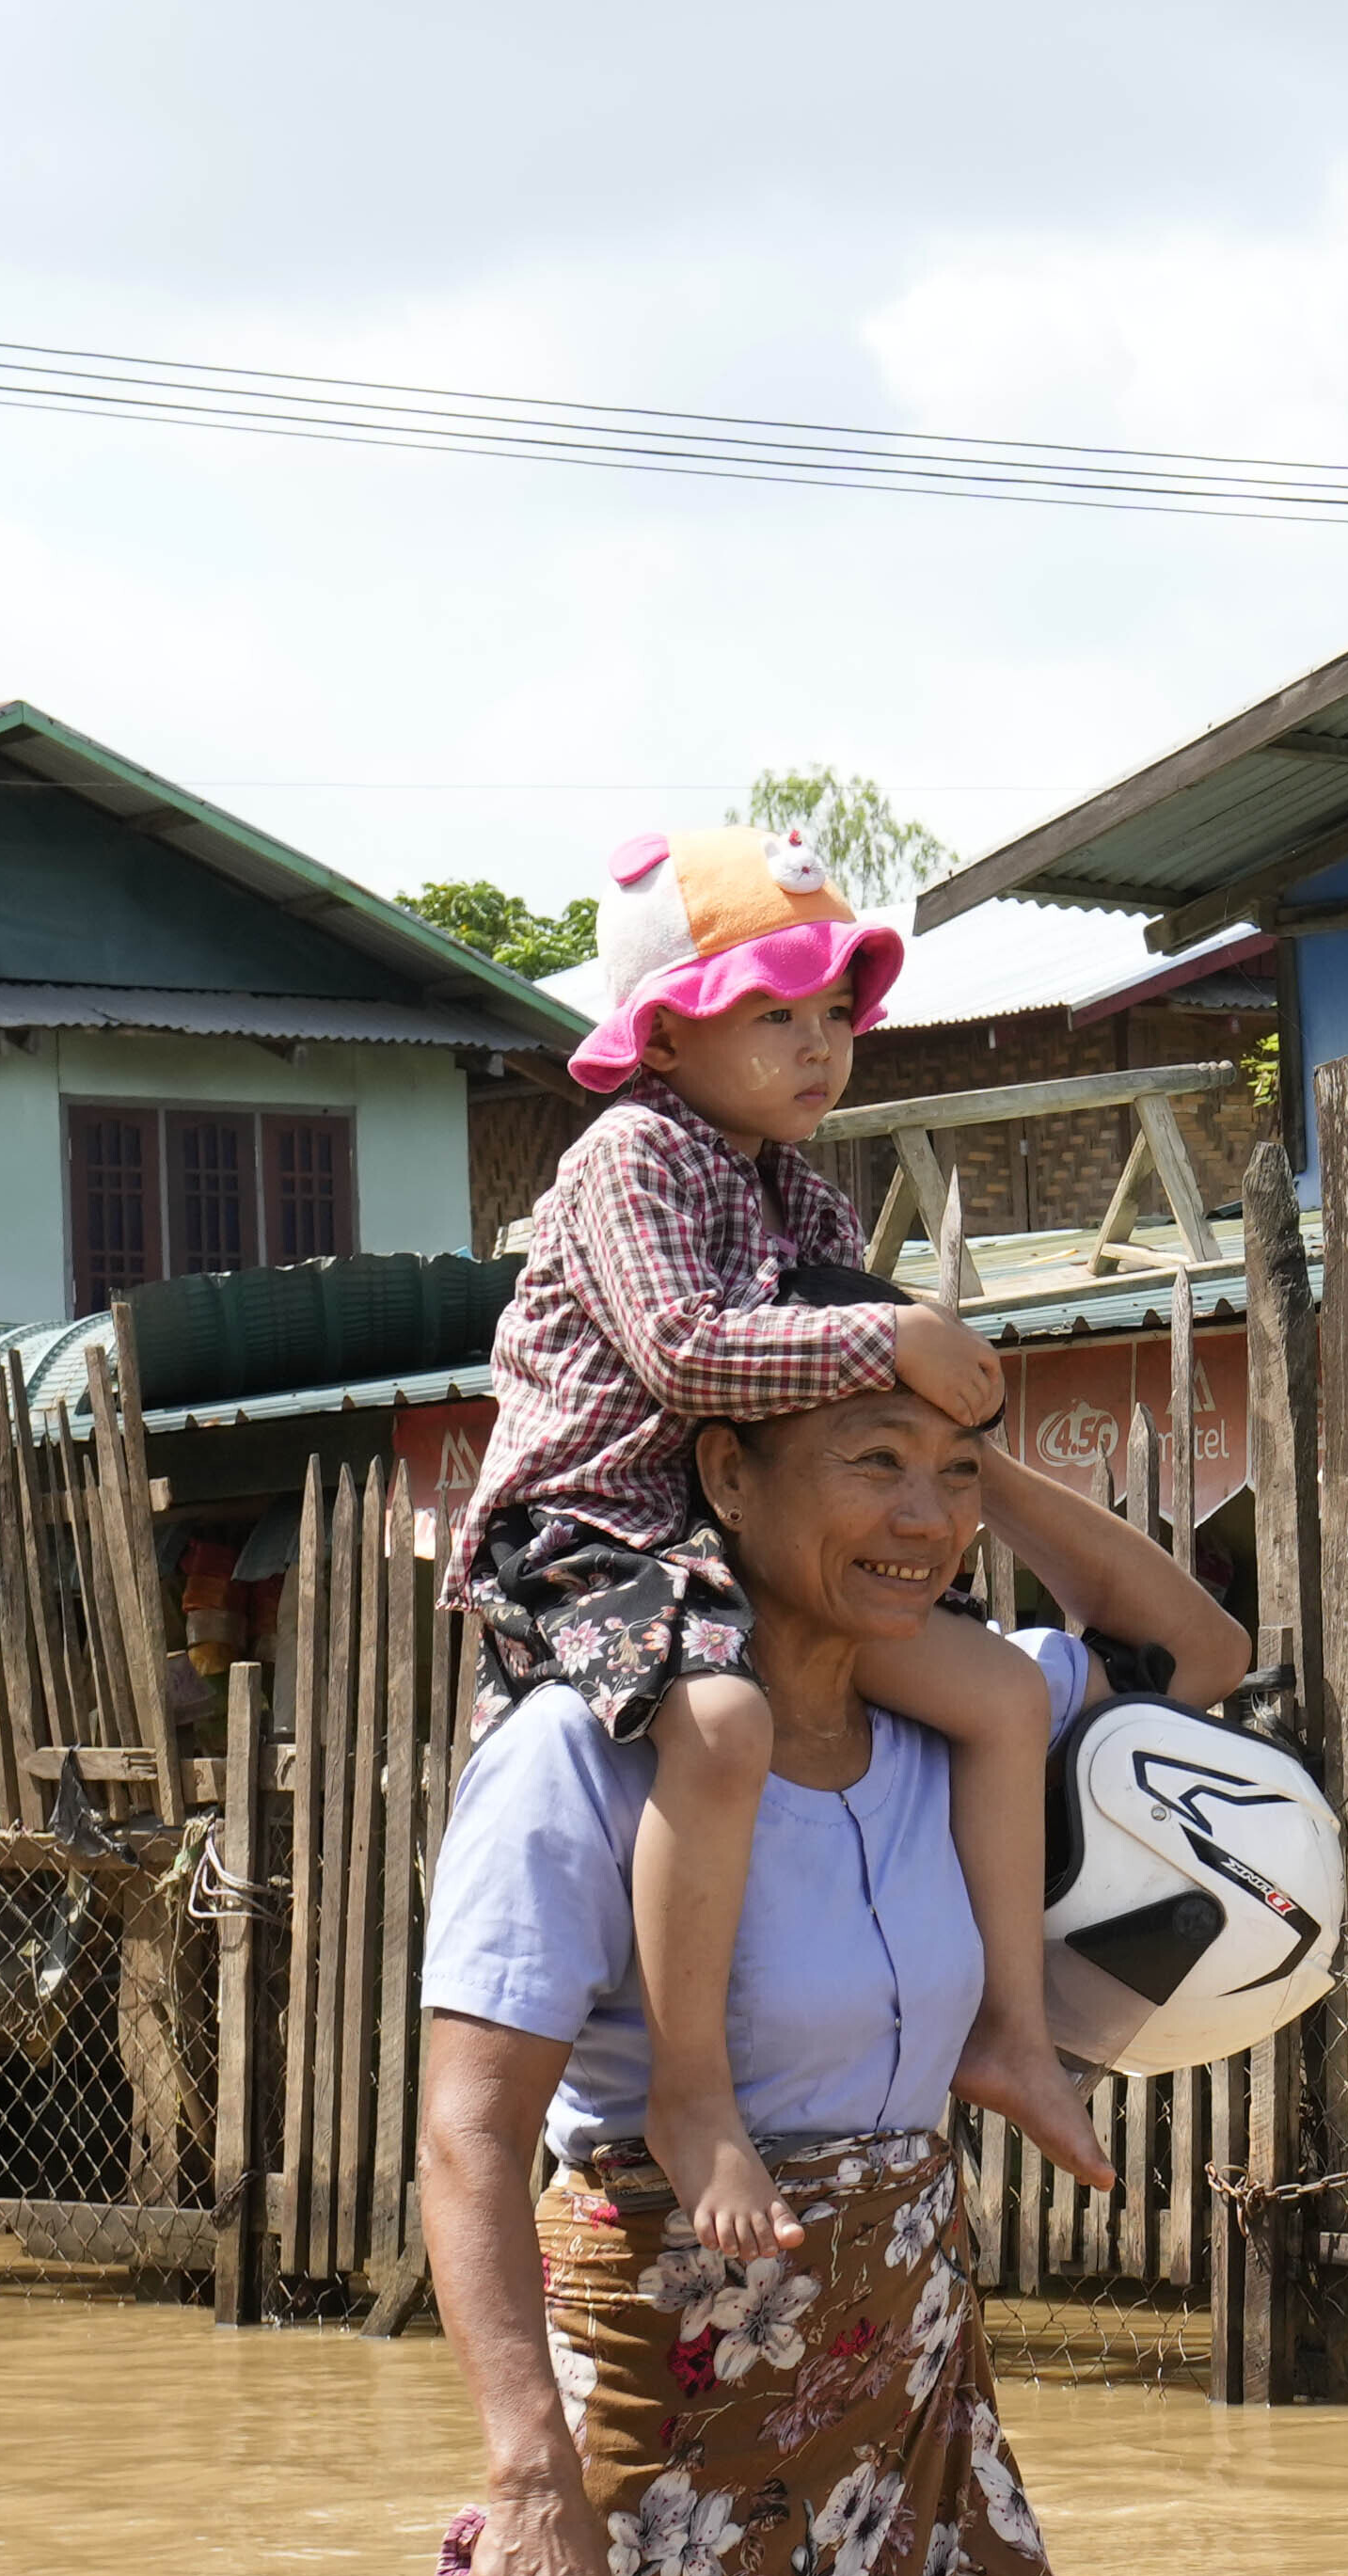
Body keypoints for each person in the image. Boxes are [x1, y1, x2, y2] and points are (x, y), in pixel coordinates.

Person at [414, 1356, 1253, 2576]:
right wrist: (529, 2476)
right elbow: (468, 2137)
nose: (925, 1516)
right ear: (721, 1469)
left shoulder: (964, 1721)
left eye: (947, 1480)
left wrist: (974, 1466)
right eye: (866, 1465)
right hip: (688, 2384)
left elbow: (1188, 1643)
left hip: (913, 2376)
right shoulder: (589, 1750)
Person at [455, 821, 1111, 2259]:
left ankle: (1007, 2031)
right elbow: (689, 1352)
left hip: (714, 1539)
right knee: (725, 1725)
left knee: (1001, 1697)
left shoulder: (793, 1184)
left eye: (835, 1015)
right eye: (776, 1015)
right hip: (591, 1531)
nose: (820, 1047)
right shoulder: (630, 1154)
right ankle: (693, 2093)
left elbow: (850, 1375)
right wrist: (894, 1333)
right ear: (667, 1036)